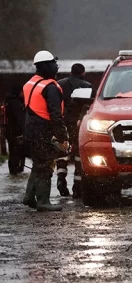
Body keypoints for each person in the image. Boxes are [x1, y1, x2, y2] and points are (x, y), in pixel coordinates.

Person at [22, 51, 69, 211]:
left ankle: (29, 197)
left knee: (38, 164)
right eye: (54, 64)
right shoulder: (50, 87)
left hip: (30, 129)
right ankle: (43, 201)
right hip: (44, 132)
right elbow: (56, 115)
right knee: (45, 166)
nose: (56, 67)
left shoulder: (31, 83)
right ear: (47, 66)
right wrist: (63, 136)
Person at [55, 63, 92, 197]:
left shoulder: (59, 84)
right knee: (78, 155)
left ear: (71, 72)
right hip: (77, 124)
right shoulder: (87, 86)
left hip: (62, 122)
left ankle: (60, 179)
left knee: (62, 151)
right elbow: (88, 106)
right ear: (83, 72)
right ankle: (77, 187)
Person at [4, 85, 26, 175]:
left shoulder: (10, 102)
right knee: (16, 152)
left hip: (10, 131)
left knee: (13, 152)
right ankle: (15, 170)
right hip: (16, 132)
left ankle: (14, 170)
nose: (24, 94)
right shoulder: (15, 103)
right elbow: (20, 119)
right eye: (22, 92)